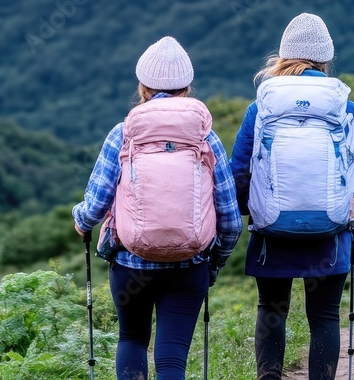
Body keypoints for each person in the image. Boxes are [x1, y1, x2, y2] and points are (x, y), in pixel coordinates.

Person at [73, 36, 242, 380]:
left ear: (143, 86)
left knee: (132, 339)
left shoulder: (123, 134)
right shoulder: (206, 138)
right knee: (171, 357)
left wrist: (81, 221)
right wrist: (214, 263)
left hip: (130, 263)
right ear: (187, 88)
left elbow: (96, 205)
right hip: (189, 264)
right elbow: (230, 218)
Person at [230, 13, 354, 380]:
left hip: (272, 232)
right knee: (324, 316)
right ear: (326, 59)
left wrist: (254, 212)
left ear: (282, 56)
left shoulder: (260, 108)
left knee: (271, 309)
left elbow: (239, 174)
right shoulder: (347, 110)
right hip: (331, 234)